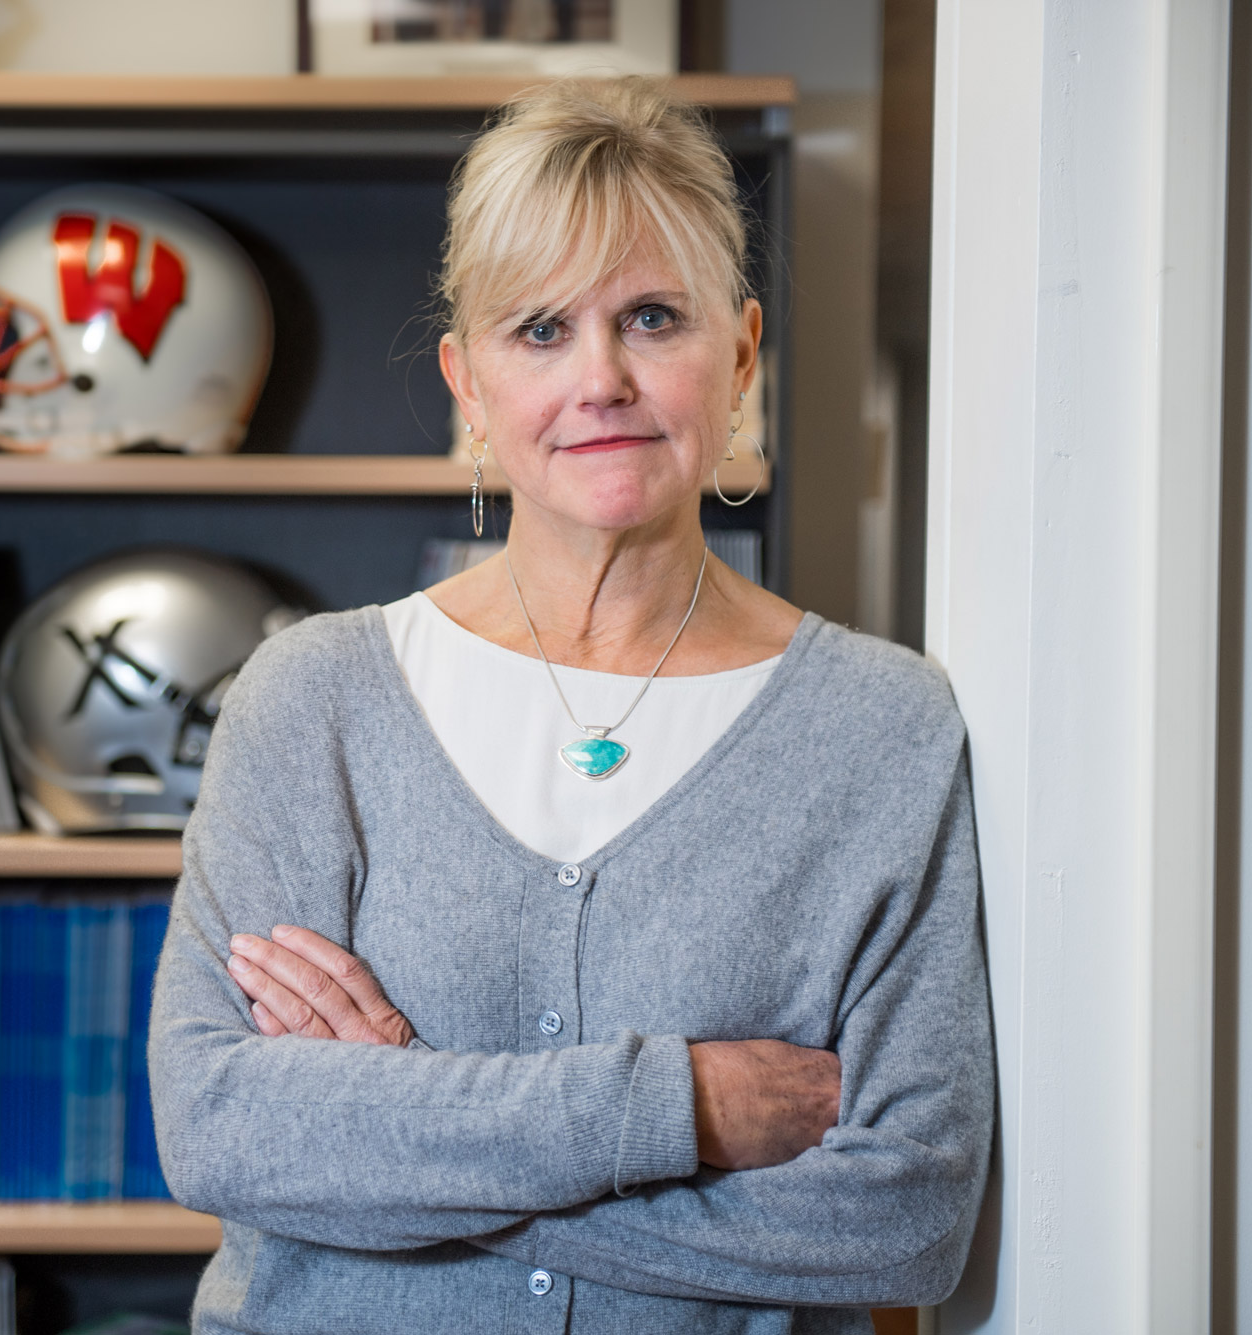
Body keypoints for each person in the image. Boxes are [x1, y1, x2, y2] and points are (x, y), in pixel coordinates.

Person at [148, 77, 993, 1334]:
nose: (598, 378)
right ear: (467, 385)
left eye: (651, 317)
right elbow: (221, 1130)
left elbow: (903, 1221)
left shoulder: (885, 730)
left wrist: (405, 1143)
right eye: (539, 330)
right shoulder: (311, 700)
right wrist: (683, 1112)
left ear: (741, 356)